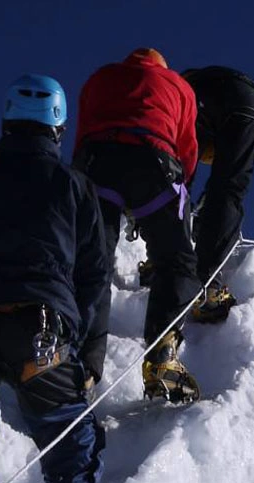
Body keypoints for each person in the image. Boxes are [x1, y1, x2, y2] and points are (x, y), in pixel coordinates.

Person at [0, 74, 108, 483]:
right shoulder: (73, 185)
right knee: (73, 451)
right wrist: (83, 347)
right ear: (58, 126)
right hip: (37, 331)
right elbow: (94, 275)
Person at [73, 48, 202, 402]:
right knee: (176, 260)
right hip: (153, 161)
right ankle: (162, 357)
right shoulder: (177, 85)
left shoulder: (100, 77)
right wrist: (181, 190)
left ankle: (80, 364)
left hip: (96, 162)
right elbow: (187, 148)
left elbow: (83, 130)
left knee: (92, 261)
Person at [181, 65, 254, 323]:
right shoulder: (206, 82)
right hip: (253, 109)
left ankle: (189, 273)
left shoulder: (185, 91)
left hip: (208, 101)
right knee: (229, 190)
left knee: (179, 180)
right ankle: (210, 282)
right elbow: (221, 189)